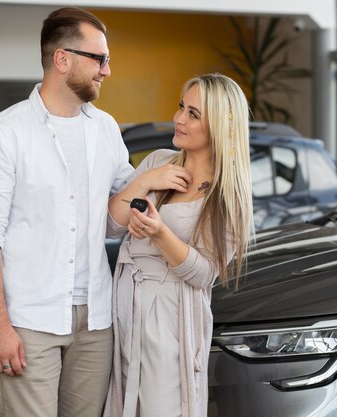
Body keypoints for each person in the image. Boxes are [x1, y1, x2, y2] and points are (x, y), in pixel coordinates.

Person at [0, 7, 133, 417]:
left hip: (96, 320)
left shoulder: (106, 128)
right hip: (29, 319)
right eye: (100, 59)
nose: (107, 70)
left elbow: (126, 203)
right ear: (63, 59)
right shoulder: (4, 133)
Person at [103, 73, 254, 417]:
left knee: (163, 407)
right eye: (181, 107)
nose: (179, 119)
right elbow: (111, 225)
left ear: (218, 125)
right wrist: (144, 181)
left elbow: (203, 274)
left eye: (193, 113)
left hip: (172, 315)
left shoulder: (227, 195)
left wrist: (159, 232)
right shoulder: (158, 161)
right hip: (125, 303)